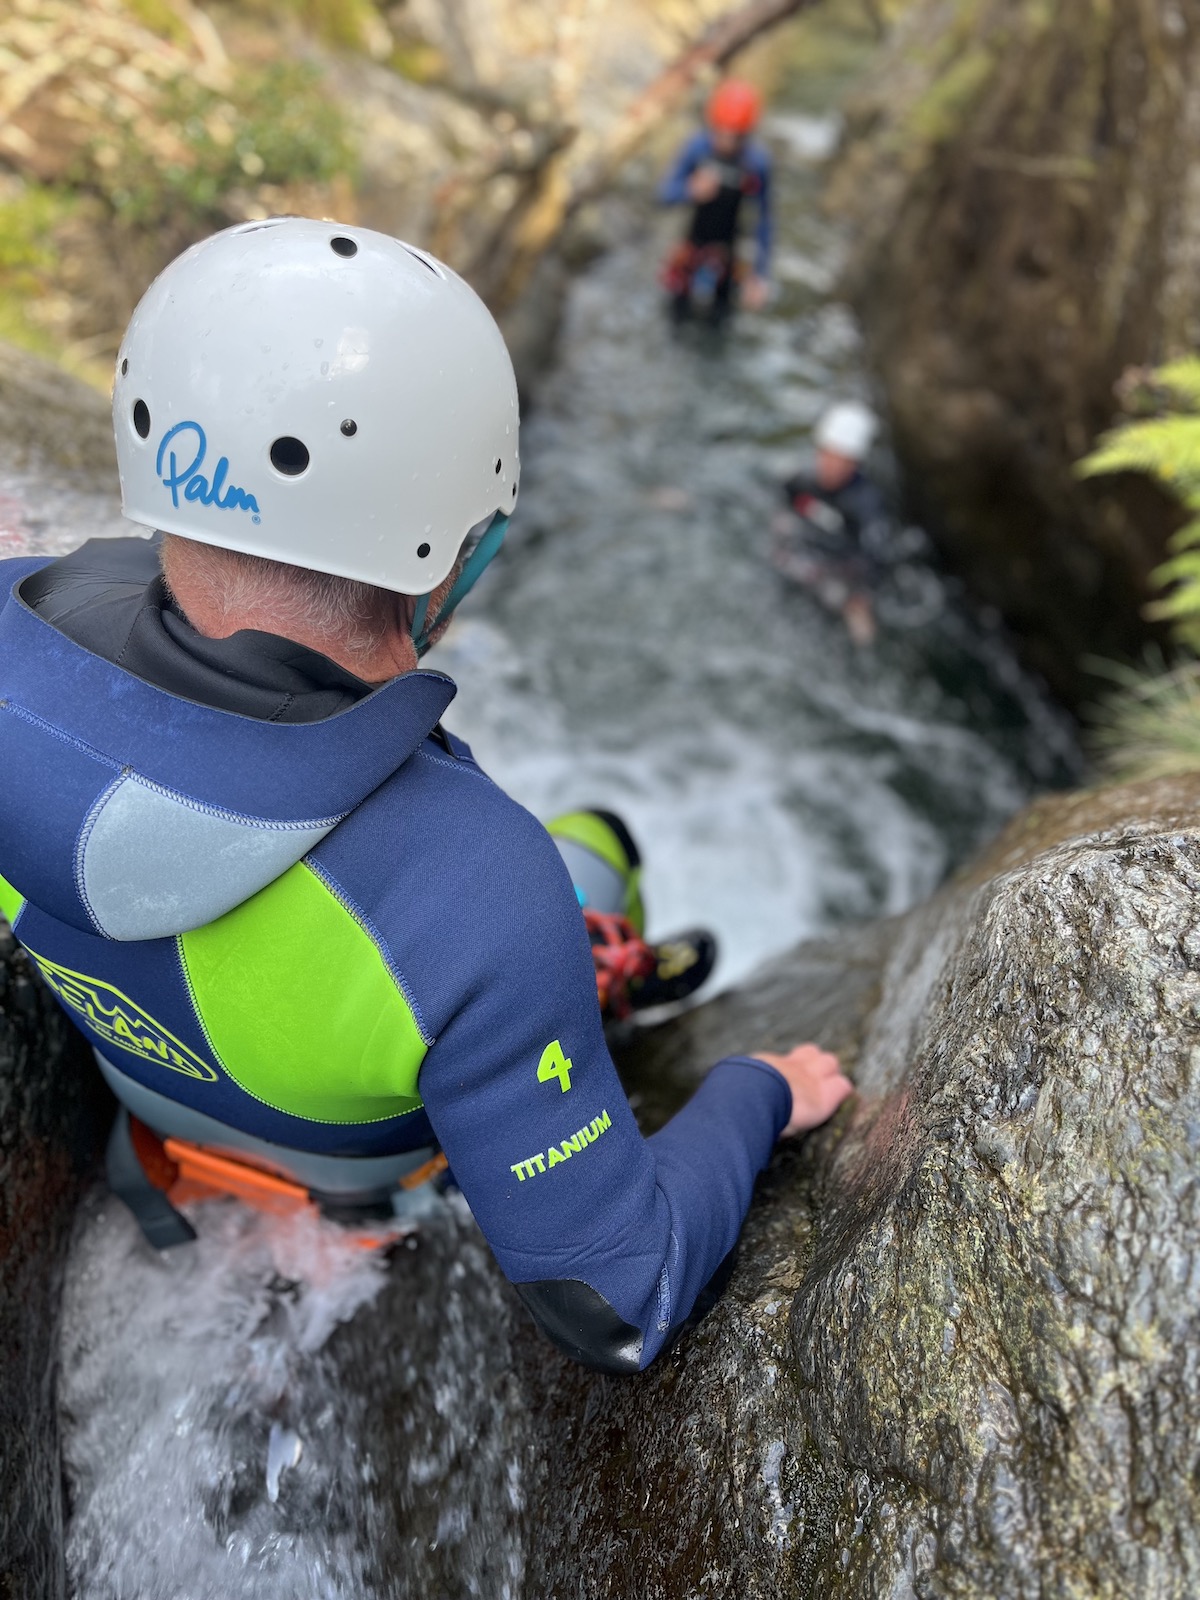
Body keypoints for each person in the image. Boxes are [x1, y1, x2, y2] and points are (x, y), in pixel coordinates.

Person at [0, 219, 851, 1373]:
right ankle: (602, 975)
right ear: (454, 547)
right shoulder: (479, 882)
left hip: (153, 1100)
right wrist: (758, 1094)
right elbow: (619, 1296)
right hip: (367, 1173)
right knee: (594, 844)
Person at [772, 400, 890, 647]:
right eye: (827, 454)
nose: (830, 466)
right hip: (808, 548)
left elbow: (876, 557)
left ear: (855, 463)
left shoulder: (866, 505)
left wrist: (858, 596)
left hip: (842, 565)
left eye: (841, 459)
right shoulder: (801, 480)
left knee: (844, 605)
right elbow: (784, 504)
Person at [658, 79, 772, 323]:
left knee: (719, 320)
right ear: (712, 125)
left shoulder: (757, 163)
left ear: (747, 134)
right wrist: (690, 190)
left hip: (729, 253)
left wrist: (760, 274)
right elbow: (663, 195)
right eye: (722, 134)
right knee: (676, 317)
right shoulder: (697, 148)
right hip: (692, 245)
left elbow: (764, 219)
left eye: (736, 137)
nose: (728, 143)